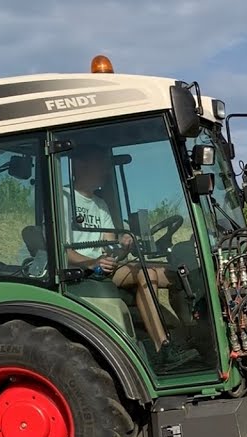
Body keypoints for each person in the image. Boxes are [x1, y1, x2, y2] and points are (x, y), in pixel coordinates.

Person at [63, 144, 199, 368]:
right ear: (80, 164)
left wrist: (123, 245)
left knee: (176, 272)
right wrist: (91, 262)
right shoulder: (64, 198)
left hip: (104, 267)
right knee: (147, 274)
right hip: (81, 272)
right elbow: (62, 250)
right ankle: (162, 348)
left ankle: (193, 335)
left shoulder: (100, 204)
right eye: (100, 164)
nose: (106, 171)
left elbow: (108, 244)